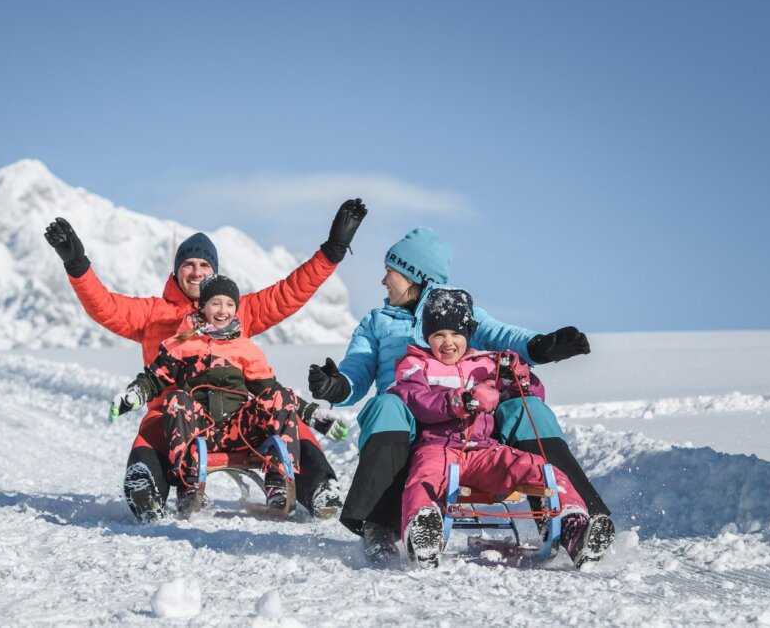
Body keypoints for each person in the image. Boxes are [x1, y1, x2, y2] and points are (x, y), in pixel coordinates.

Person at [45, 198, 367, 521]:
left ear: (215, 273)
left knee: (286, 417)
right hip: (178, 418)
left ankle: (319, 487)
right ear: (176, 271)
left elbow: (288, 293)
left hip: (236, 416)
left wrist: (333, 251)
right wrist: (77, 265)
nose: (196, 271)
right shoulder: (153, 315)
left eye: (204, 266)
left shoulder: (233, 312)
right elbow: (106, 306)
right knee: (153, 425)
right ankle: (145, 488)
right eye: (189, 265)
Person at [307, 227, 613, 564]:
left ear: (414, 275)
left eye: (389, 272)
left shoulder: (459, 311)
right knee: (387, 405)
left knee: (530, 411)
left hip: (470, 424)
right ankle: (378, 524)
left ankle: (575, 520)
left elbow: (504, 336)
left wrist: (540, 347)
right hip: (411, 419)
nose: (383, 281)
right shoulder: (377, 321)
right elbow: (358, 368)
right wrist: (338, 385)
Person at [390, 287, 592, 568]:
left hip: (485, 450)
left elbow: (533, 394)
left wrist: (520, 378)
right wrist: (460, 401)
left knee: (537, 467)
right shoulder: (415, 365)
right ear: (427, 337)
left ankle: (573, 525)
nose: (448, 342)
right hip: (439, 448)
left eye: (456, 334)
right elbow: (416, 400)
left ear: (468, 335)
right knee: (423, 480)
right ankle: (423, 531)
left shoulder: (485, 364)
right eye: (439, 335)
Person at [110, 275, 303, 516]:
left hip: (239, 431)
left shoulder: (245, 349)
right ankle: (187, 485)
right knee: (176, 399)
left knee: (279, 396)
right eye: (216, 303)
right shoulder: (182, 344)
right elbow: (154, 378)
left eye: (230, 304)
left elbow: (272, 391)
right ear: (202, 307)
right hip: (200, 431)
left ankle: (277, 481)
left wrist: (313, 414)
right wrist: (135, 394)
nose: (223, 310)